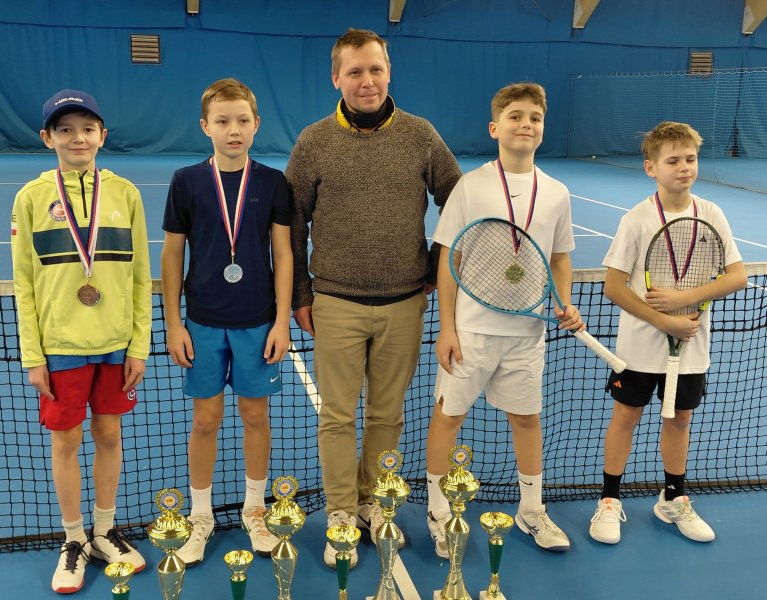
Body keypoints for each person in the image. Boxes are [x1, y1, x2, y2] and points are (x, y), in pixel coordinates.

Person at [285, 28, 462, 568]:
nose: (367, 81)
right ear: (336, 78)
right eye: (355, 71)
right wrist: (300, 293)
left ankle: (374, 504)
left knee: (387, 416)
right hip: (334, 303)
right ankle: (341, 512)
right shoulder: (314, 141)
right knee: (337, 417)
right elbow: (292, 221)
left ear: (389, 72)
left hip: (404, 304)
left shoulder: (420, 135)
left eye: (376, 69)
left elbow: (458, 200)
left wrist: (435, 263)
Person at [426, 82, 583, 558]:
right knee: (449, 415)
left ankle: (531, 509)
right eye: (515, 116)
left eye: (534, 117)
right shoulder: (471, 186)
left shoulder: (556, 193)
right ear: (495, 127)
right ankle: (437, 511)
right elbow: (448, 260)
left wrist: (565, 301)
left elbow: (560, 258)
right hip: (471, 331)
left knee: (527, 419)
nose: (525, 124)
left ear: (543, 129)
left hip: (527, 333)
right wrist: (447, 327)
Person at [11, 89, 151, 593]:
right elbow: (24, 284)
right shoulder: (30, 198)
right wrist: (34, 355)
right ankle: (74, 539)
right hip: (60, 348)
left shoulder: (126, 194)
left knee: (109, 435)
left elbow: (140, 277)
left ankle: (104, 530)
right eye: (65, 129)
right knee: (66, 442)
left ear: (102, 136)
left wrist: (139, 346)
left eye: (87, 129)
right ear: (47, 137)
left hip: (115, 344)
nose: (78, 138)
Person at [589, 121, 747, 544]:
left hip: (691, 346)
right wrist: (664, 320)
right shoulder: (637, 220)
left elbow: (737, 276)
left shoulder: (712, 215)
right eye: (673, 160)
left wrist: (683, 299)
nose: (684, 167)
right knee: (626, 417)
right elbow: (614, 286)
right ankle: (609, 500)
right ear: (651, 168)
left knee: (680, 419)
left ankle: (673, 499)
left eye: (690, 159)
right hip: (639, 348)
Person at [161, 78, 292, 563]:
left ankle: (254, 508)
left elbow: (283, 253)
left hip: (257, 322)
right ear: (205, 126)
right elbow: (172, 255)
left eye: (242, 120)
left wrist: (281, 321)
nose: (233, 130)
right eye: (222, 121)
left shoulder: (273, 182)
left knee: (256, 416)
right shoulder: (186, 182)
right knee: (205, 419)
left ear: (256, 124)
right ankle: (201, 515)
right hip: (202, 323)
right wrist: (173, 323)